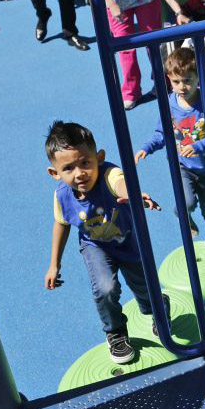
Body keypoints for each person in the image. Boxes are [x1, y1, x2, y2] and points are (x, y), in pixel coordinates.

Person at [44, 120, 166, 365]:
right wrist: (54, 264)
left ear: (99, 157)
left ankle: (158, 307)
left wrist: (133, 194)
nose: (79, 173)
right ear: (55, 173)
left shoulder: (109, 173)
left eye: (85, 163)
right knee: (105, 289)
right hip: (95, 246)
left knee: (144, 289)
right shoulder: (61, 195)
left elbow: (120, 184)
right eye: (68, 168)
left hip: (128, 241)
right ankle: (116, 332)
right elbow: (61, 224)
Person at [135, 46, 205, 243]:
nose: (182, 86)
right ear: (169, 79)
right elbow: (163, 132)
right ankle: (185, 217)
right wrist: (148, 147)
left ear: (198, 77)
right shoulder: (169, 104)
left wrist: (197, 146)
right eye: (176, 81)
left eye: (188, 80)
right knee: (185, 203)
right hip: (183, 166)